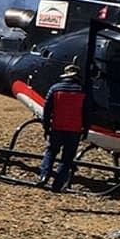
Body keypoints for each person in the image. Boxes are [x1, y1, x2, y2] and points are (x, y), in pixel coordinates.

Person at [38, 63, 86, 192]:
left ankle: (44, 176)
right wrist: (85, 129)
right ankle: (57, 184)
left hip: (57, 127)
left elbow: (47, 109)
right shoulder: (83, 90)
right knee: (67, 158)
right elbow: (87, 112)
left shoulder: (55, 89)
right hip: (74, 129)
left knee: (51, 152)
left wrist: (46, 126)